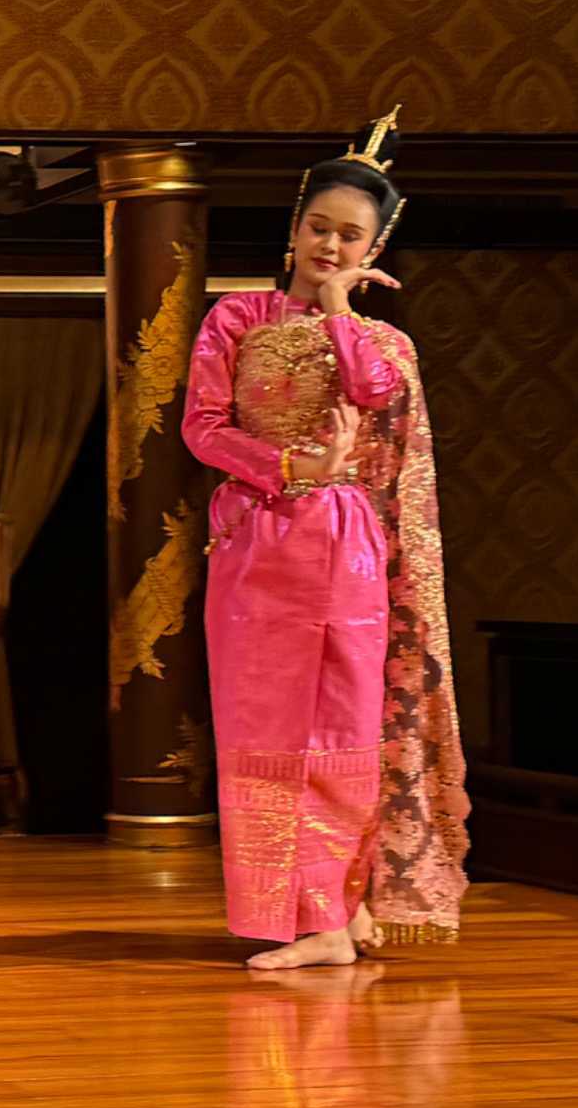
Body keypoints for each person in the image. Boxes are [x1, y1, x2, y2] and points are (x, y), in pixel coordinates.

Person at [183, 108, 469, 970]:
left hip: (344, 546)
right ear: (294, 227)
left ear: (374, 249)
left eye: (351, 237)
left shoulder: (383, 340)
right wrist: (289, 466)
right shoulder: (236, 317)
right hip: (255, 540)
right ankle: (299, 913)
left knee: (340, 729)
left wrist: (340, 309)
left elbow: (374, 392)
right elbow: (203, 427)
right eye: (319, 227)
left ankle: (334, 916)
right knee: (260, 731)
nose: (330, 246)